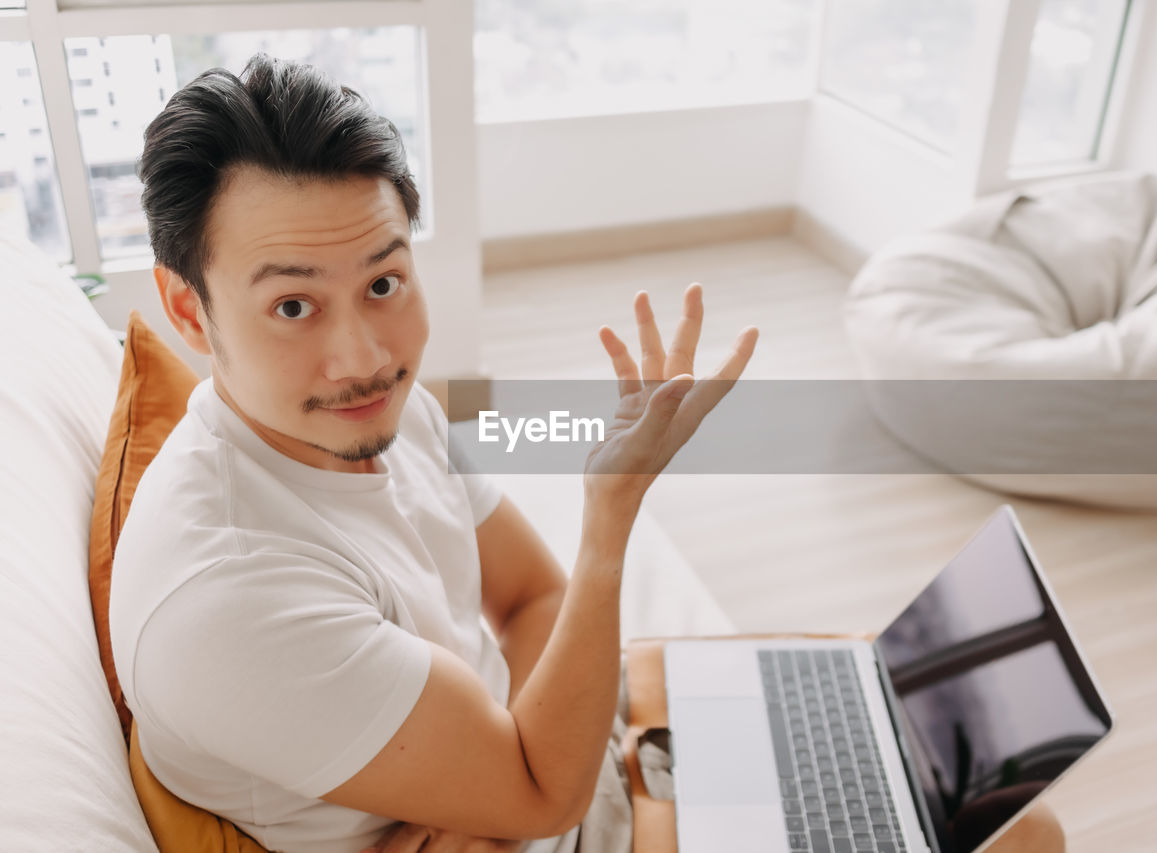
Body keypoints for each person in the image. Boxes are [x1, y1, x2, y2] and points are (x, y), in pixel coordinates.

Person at [109, 53, 756, 853]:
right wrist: (611, 512)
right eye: (293, 305)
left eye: (383, 283)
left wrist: (516, 767)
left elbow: (531, 598)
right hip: (583, 818)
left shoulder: (383, 409)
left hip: (575, 768)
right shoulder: (228, 596)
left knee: (877, 746)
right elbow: (545, 795)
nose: (364, 357)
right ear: (188, 309)